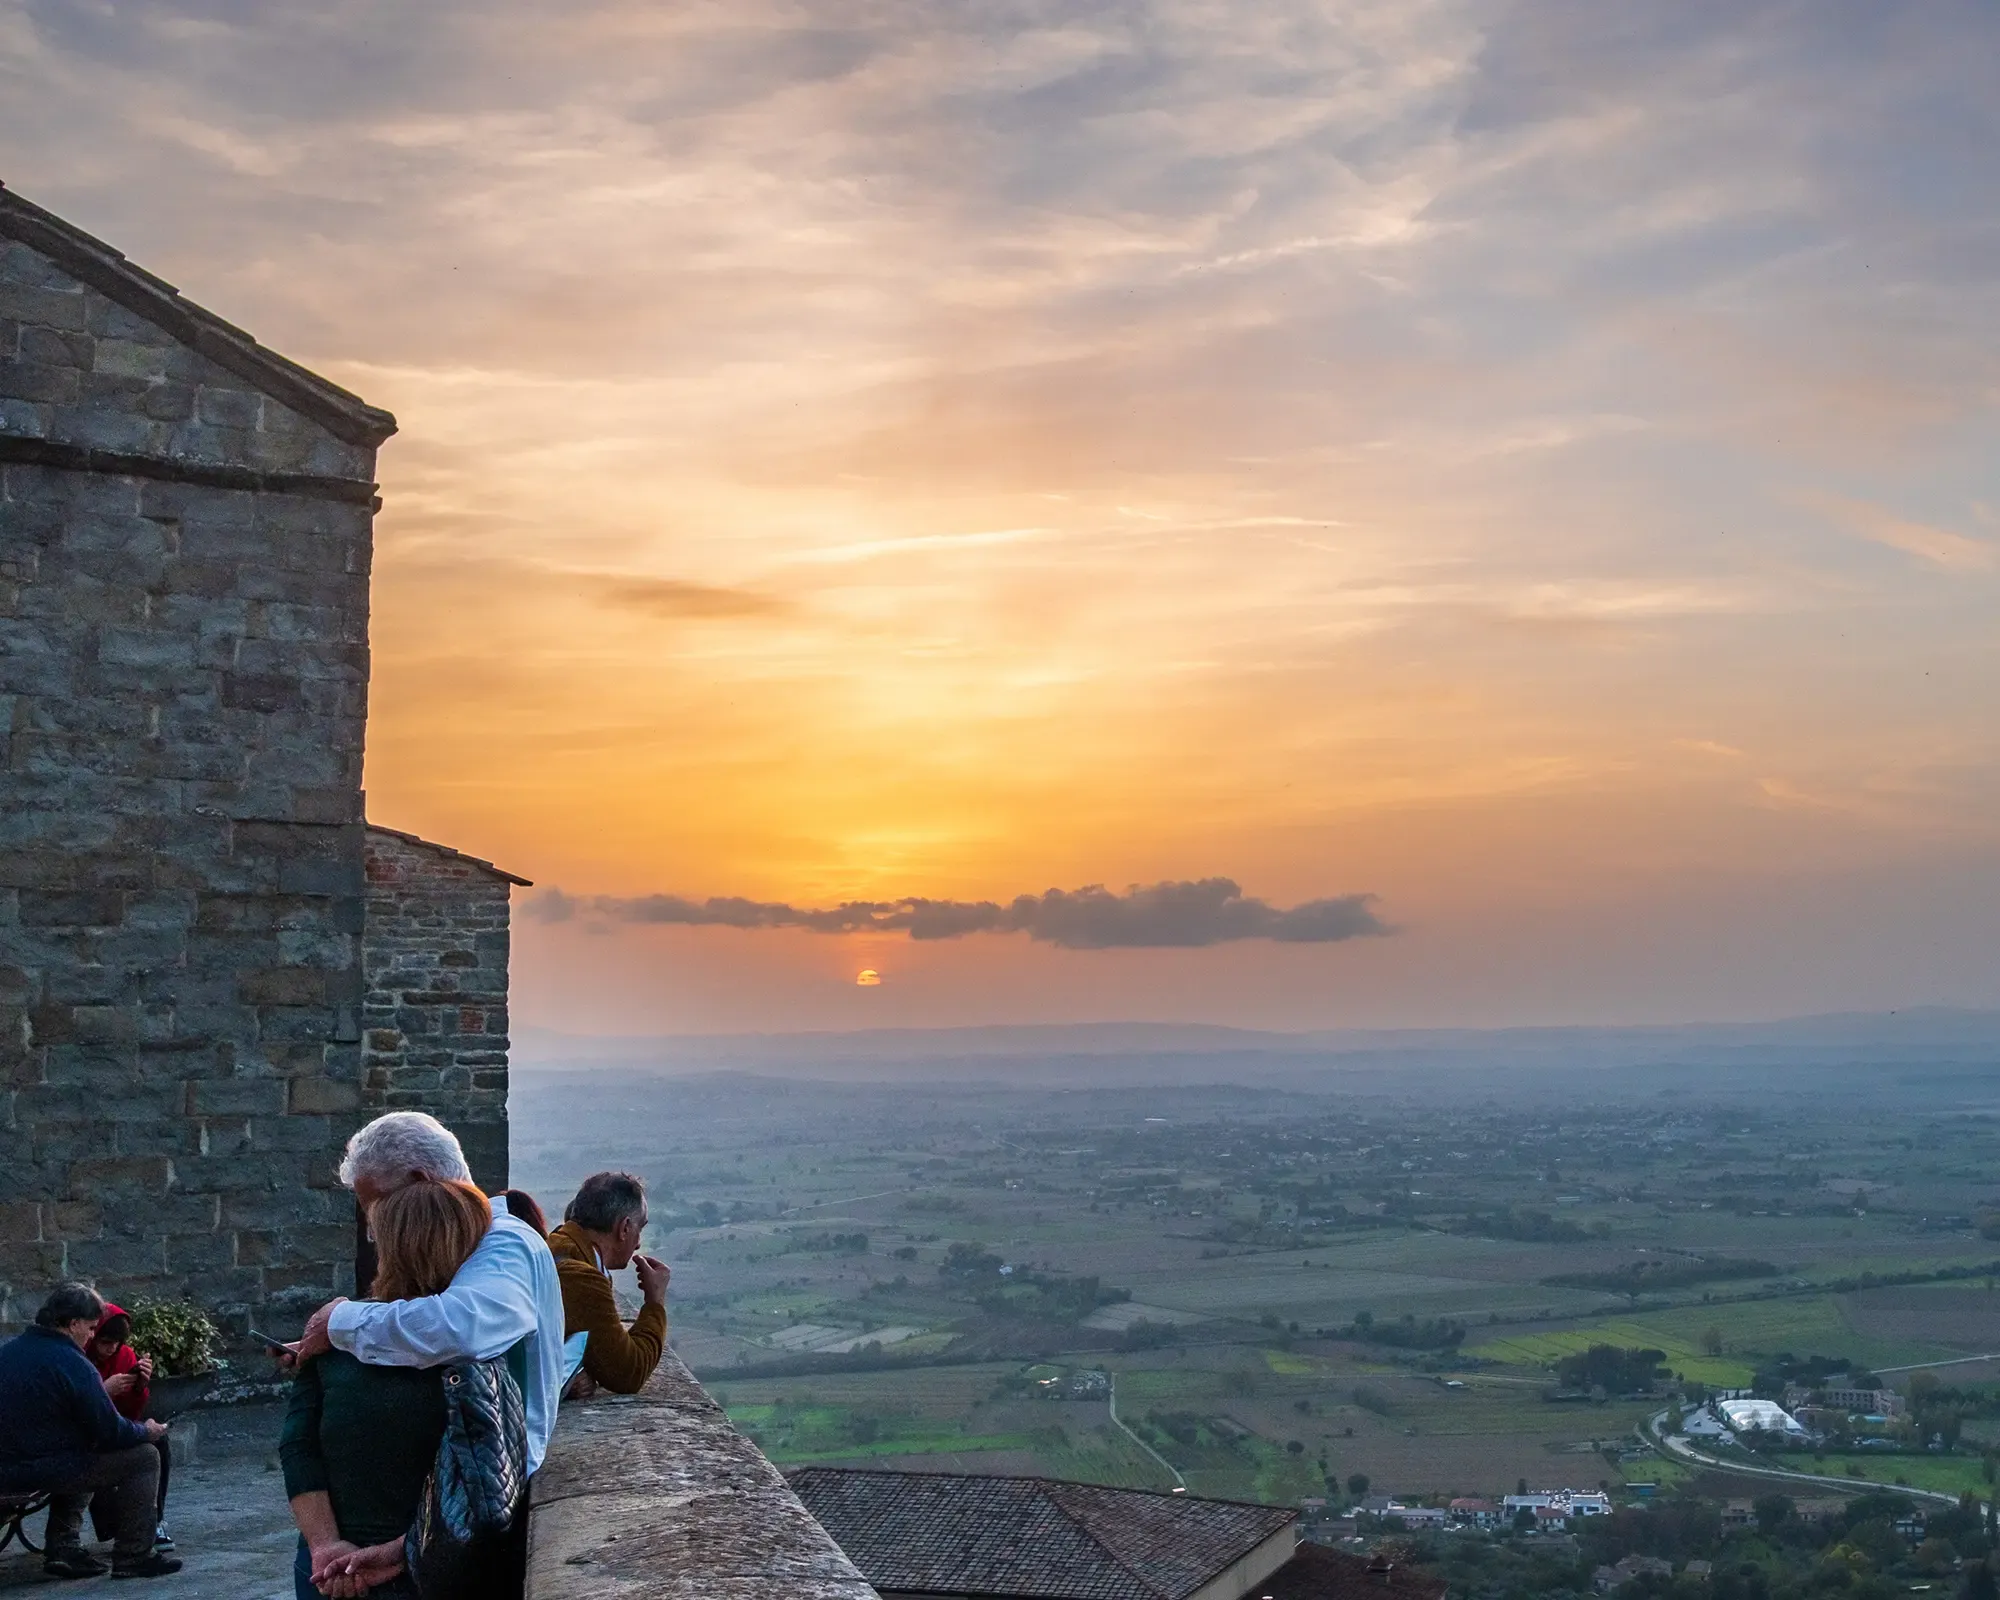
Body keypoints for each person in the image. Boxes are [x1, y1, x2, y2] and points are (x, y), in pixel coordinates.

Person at [288, 1113, 563, 1596]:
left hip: (434, 1551)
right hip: (446, 1548)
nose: (373, 1232)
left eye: (376, 1208)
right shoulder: (374, 1338)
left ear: (420, 1182)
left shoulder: (506, 1243)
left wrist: (340, 1322)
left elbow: (461, 1327)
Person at [282, 1177, 495, 1600]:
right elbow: (481, 1477)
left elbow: (298, 1447)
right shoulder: (479, 1344)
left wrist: (325, 1545)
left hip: (328, 1572)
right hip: (438, 1568)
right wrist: (404, 1550)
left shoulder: (336, 1331)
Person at [0, 1282, 181, 1580]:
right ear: (73, 1324)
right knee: (144, 1457)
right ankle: (134, 1554)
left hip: (11, 1464)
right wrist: (145, 1430)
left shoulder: (9, 1352)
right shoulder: (73, 1363)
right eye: (91, 1327)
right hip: (37, 1469)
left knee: (81, 1448)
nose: (92, 1335)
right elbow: (111, 1430)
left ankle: (65, 1546)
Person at [548, 1172, 669, 1396]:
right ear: (624, 1228)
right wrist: (655, 1301)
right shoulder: (581, 1279)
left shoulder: (558, 1247)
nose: (638, 1243)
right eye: (639, 1228)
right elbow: (628, 1372)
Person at [84, 1304, 175, 1555]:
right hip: (89, 1431)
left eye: (116, 1343)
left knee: (157, 1442)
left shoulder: (125, 1356)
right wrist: (104, 1390)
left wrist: (139, 1386)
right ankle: (118, 1526)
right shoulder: (81, 1357)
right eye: (105, 1342)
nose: (111, 1349)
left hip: (118, 1424)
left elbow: (132, 1411)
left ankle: (155, 1521)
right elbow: (79, 1406)